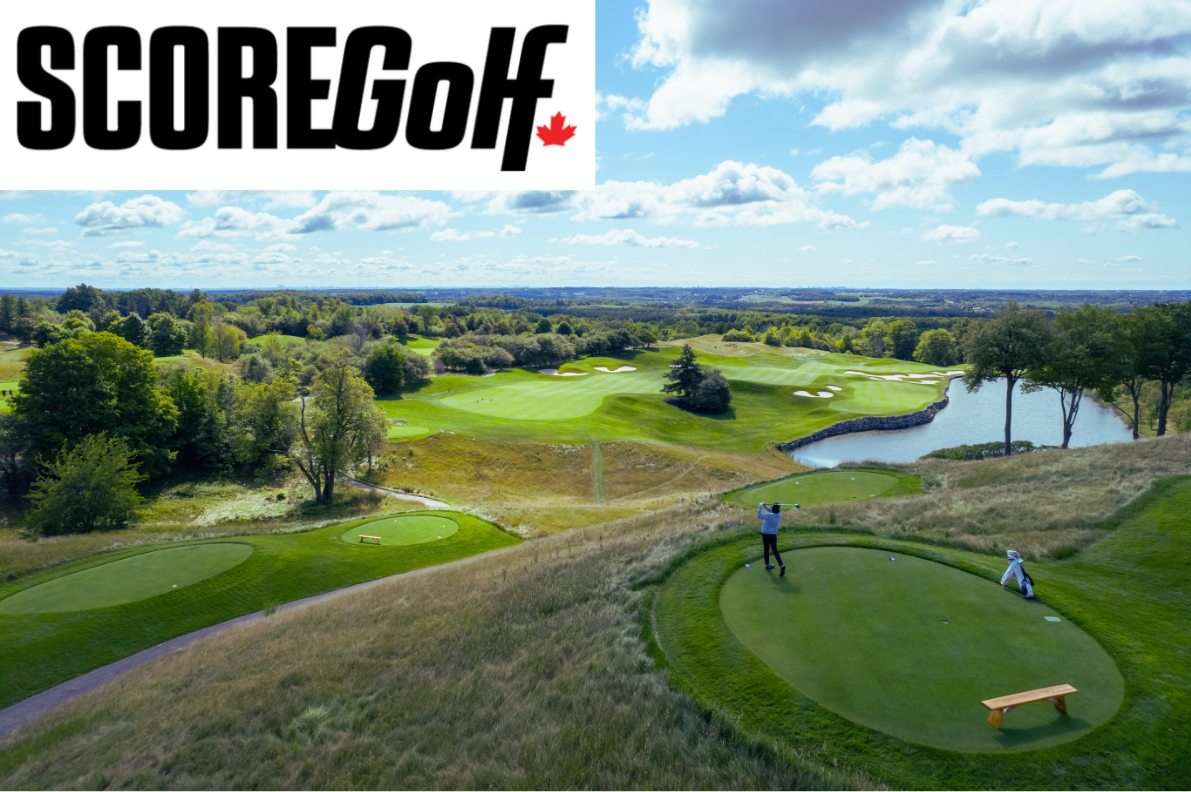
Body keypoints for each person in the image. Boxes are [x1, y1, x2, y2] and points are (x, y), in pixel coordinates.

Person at [757, 502, 785, 576]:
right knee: (775, 550)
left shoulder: (769, 515)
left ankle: (767, 565)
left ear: (773, 507)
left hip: (765, 534)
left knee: (766, 549)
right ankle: (781, 565)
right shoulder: (779, 515)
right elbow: (772, 511)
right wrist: (765, 506)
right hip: (773, 535)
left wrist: (760, 507)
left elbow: (759, 516)